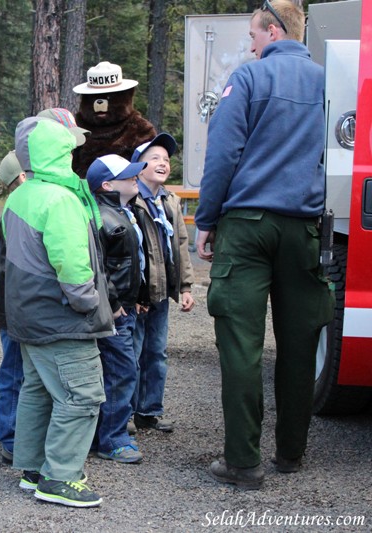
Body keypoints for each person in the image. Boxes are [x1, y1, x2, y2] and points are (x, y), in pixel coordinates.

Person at [195, 1, 333, 490]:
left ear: (272, 32)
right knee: (300, 345)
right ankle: (291, 454)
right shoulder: (327, 81)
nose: (250, 44)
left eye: (253, 34)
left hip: (248, 227)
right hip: (305, 229)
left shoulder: (250, 79)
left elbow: (223, 153)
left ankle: (243, 462)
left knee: (241, 346)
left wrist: (206, 220)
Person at [4, 117, 112, 508]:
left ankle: (33, 468)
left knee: (38, 389)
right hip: (60, 317)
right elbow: (72, 265)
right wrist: (88, 303)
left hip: (29, 315)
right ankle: (60, 477)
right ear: (59, 153)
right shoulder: (61, 199)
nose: (73, 154)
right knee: (81, 395)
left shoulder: (21, 195)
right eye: (69, 149)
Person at [130, 133, 195, 433]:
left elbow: (180, 245)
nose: (162, 163)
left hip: (160, 295)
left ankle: (149, 411)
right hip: (139, 295)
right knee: (132, 352)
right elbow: (130, 252)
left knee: (157, 352)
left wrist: (184, 287)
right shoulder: (131, 200)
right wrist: (134, 293)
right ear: (138, 166)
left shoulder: (169, 201)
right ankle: (124, 413)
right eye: (154, 158)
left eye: (166, 160)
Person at [86, 154, 148, 464]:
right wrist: (113, 303)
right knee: (119, 370)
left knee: (122, 367)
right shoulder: (102, 217)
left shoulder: (125, 212)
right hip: (115, 311)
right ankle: (111, 438)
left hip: (127, 306)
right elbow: (98, 267)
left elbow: (133, 262)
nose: (136, 178)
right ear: (107, 185)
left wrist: (138, 296)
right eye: (129, 175)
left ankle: (107, 432)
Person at [0, 151, 26, 464]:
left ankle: (17, 433)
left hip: (15, 307)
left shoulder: (17, 207)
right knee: (14, 372)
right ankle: (11, 435)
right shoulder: (15, 211)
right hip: (14, 309)